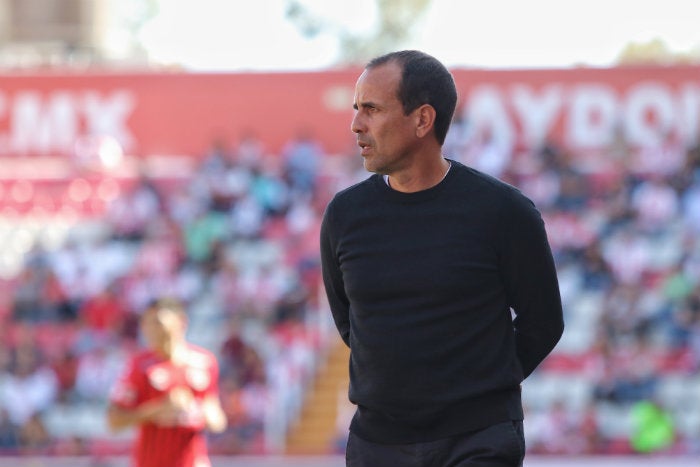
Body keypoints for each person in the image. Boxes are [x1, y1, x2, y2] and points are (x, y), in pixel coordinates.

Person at [320, 50, 565, 467]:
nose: (356, 124)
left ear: (422, 119)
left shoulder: (504, 211)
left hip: (478, 441)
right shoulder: (344, 215)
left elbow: (543, 323)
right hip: (377, 444)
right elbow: (351, 323)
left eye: (372, 109)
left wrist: (480, 392)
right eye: (356, 109)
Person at [107, 297, 227, 467]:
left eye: (157, 322)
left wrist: (201, 413)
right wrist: (158, 410)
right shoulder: (139, 365)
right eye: (146, 323)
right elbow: (114, 420)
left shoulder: (204, 362)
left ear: (181, 322)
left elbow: (216, 417)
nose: (151, 329)